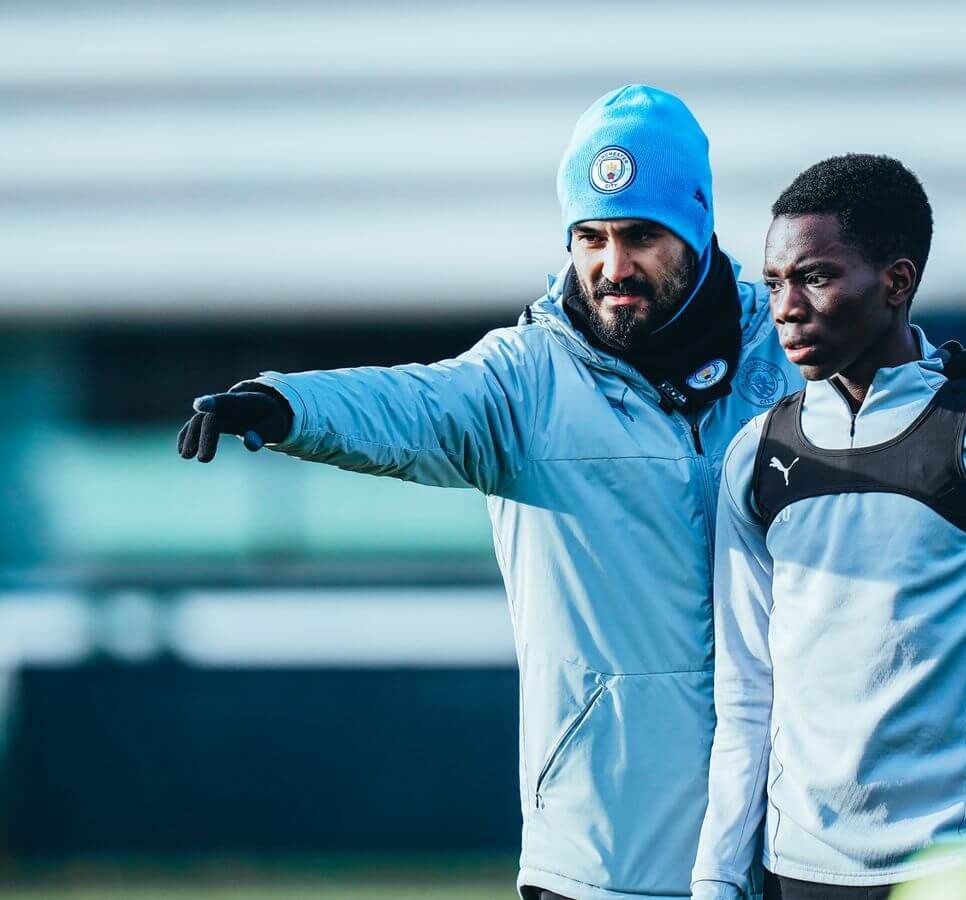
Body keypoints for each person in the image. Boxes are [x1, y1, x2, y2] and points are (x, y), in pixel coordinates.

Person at [175, 84, 797, 900]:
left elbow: (894, 394)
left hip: (784, 852)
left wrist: (957, 396)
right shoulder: (524, 381)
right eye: (591, 237)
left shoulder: (787, 357)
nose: (614, 267)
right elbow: (414, 403)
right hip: (598, 863)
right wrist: (289, 405)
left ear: (698, 224)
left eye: (642, 236)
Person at [692, 154, 966, 900]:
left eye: (814, 277)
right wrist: (717, 873)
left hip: (957, 871)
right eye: (775, 283)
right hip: (794, 871)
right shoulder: (757, 455)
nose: (785, 307)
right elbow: (747, 688)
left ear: (897, 282)